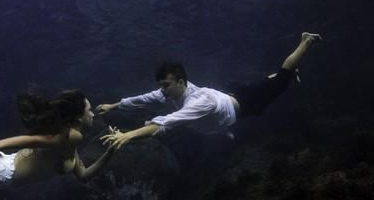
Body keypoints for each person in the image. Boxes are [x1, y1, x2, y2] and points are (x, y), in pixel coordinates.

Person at [97, 32, 322, 150]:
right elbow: (142, 100)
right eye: (161, 86)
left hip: (244, 103)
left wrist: (128, 135)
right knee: (263, 85)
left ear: (181, 81)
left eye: (165, 85)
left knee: (281, 83)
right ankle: (281, 76)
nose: (161, 91)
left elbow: (165, 123)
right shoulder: (172, 92)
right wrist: (113, 106)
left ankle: (306, 41)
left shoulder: (198, 103)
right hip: (227, 95)